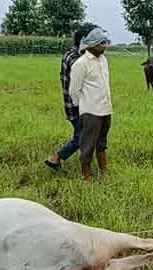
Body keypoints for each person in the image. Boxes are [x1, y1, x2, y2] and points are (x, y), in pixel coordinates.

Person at [44, 24, 97, 172]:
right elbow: (80, 86)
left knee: (83, 134)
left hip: (72, 104)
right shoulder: (77, 60)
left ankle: (84, 162)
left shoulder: (70, 55)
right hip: (77, 105)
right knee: (82, 136)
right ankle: (57, 158)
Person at [69, 27, 113, 181]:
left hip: (105, 109)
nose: (105, 46)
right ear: (93, 45)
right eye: (102, 43)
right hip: (91, 111)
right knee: (87, 146)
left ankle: (104, 174)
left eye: (105, 42)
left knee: (102, 144)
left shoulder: (104, 60)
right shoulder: (81, 64)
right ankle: (86, 178)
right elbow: (74, 89)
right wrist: (81, 108)